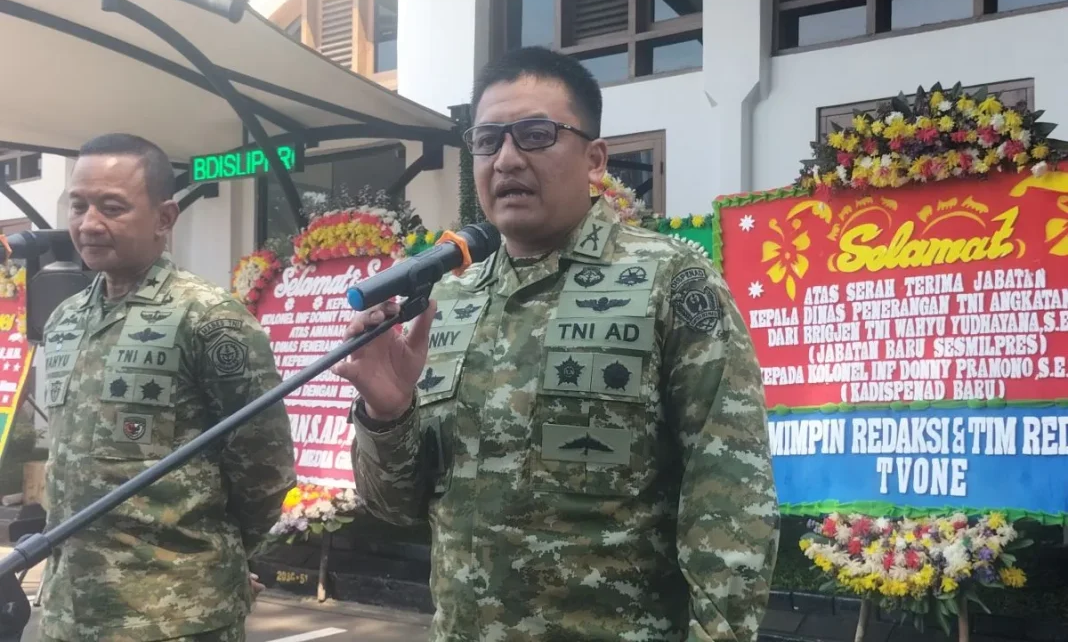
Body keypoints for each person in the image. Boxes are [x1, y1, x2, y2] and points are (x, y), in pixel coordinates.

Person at [336, 47, 780, 641]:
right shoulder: (447, 301)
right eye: (487, 140)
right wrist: (388, 415)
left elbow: (732, 497)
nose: (507, 159)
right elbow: (395, 507)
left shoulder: (669, 282)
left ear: (595, 160)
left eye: (536, 135)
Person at [38, 134, 296, 642]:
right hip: (69, 612)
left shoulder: (209, 318)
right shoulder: (65, 318)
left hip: (176, 618)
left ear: (164, 218)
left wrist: (215, 559)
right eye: (79, 205)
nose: (89, 223)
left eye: (112, 207)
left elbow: (265, 470)